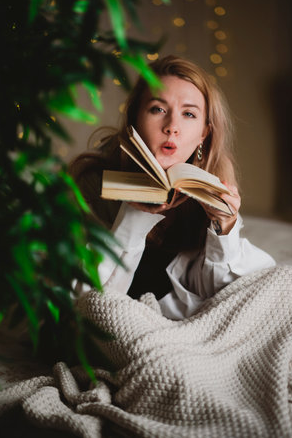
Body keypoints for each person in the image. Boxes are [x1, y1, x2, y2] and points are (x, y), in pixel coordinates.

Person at [69, 55, 275, 320]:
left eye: (189, 114)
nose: (172, 127)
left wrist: (225, 230)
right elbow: (85, 302)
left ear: (204, 133)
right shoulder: (92, 182)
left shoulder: (210, 180)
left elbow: (228, 295)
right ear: (135, 120)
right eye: (158, 109)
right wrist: (133, 214)